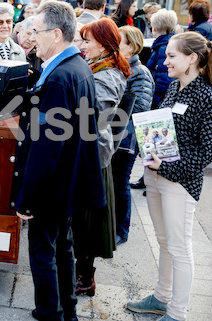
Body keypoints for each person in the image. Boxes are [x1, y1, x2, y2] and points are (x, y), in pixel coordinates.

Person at [12, 0, 105, 321]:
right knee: (63, 249)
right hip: (67, 183)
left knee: (41, 251)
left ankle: (50, 313)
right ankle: (67, 311)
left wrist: (26, 199)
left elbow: (45, 148)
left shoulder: (60, 77)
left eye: (35, 31)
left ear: (55, 34)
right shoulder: (75, 67)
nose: (31, 37)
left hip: (52, 187)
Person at [126, 32, 212, 321]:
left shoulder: (206, 96)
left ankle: (177, 313)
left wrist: (163, 167)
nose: (164, 61)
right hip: (157, 176)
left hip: (179, 183)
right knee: (164, 241)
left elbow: (209, 150)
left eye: (171, 56)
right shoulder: (175, 88)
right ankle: (161, 298)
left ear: (192, 58)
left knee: (179, 247)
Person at [73, 18, 130, 297]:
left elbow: (96, 116)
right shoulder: (98, 67)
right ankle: (81, 275)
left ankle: (85, 278)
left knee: (89, 220)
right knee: (84, 217)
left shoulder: (107, 74)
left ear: (104, 45)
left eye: (87, 41)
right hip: (89, 150)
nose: (82, 46)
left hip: (94, 154)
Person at [111, 26, 154, 245]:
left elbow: (140, 109)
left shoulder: (140, 72)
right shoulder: (120, 67)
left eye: (119, 41)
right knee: (114, 184)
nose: (114, 44)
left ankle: (122, 230)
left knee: (120, 184)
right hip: (114, 138)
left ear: (131, 46)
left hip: (126, 141)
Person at [149, 9, 178, 108]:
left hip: (159, 99)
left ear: (154, 29)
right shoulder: (170, 44)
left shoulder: (164, 48)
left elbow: (164, 79)